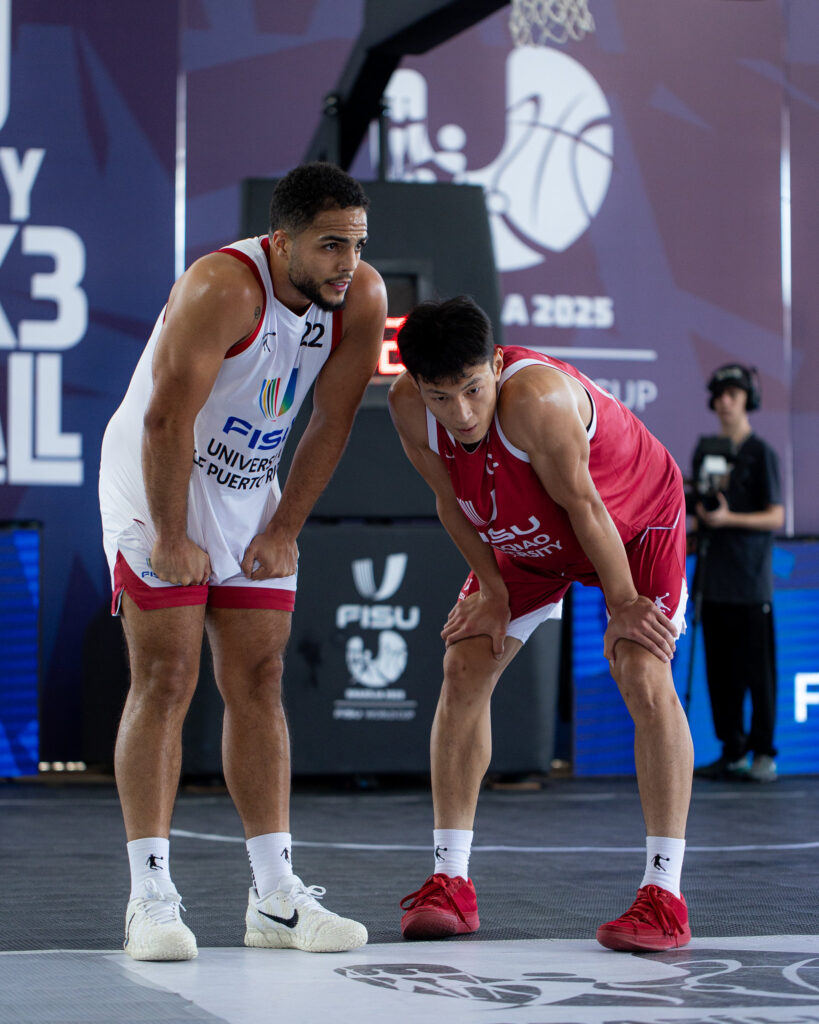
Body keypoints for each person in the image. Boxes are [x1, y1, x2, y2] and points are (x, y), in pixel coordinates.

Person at [99, 162, 387, 961]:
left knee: (258, 680)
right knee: (167, 679)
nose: (347, 263)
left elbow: (330, 422)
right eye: (330, 246)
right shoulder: (219, 288)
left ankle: (275, 898)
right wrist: (169, 534)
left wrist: (284, 527)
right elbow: (163, 422)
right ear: (280, 240)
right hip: (155, 479)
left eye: (357, 245)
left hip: (245, 485)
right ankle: (149, 897)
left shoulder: (358, 299)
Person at [388, 296, 693, 952]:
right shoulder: (407, 409)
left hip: (628, 524)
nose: (462, 414)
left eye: (473, 390)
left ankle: (663, 894)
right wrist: (493, 589)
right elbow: (449, 502)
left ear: (495, 364)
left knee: (640, 670)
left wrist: (621, 606)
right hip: (526, 535)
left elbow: (583, 507)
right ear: (416, 386)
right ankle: (450, 881)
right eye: (442, 397)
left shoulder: (537, 401)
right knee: (464, 662)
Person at [691, 364, 783, 783]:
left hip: (750, 581)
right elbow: (699, 505)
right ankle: (732, 750)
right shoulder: (705, 448)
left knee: (757, 675)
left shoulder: (761, 453)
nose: (725, 401)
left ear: (747, 399)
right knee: (720, 675)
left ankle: (763, 752)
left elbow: (775, 515)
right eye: (719, 394)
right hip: (714, 579)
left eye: (733, 393)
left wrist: (729, 518)